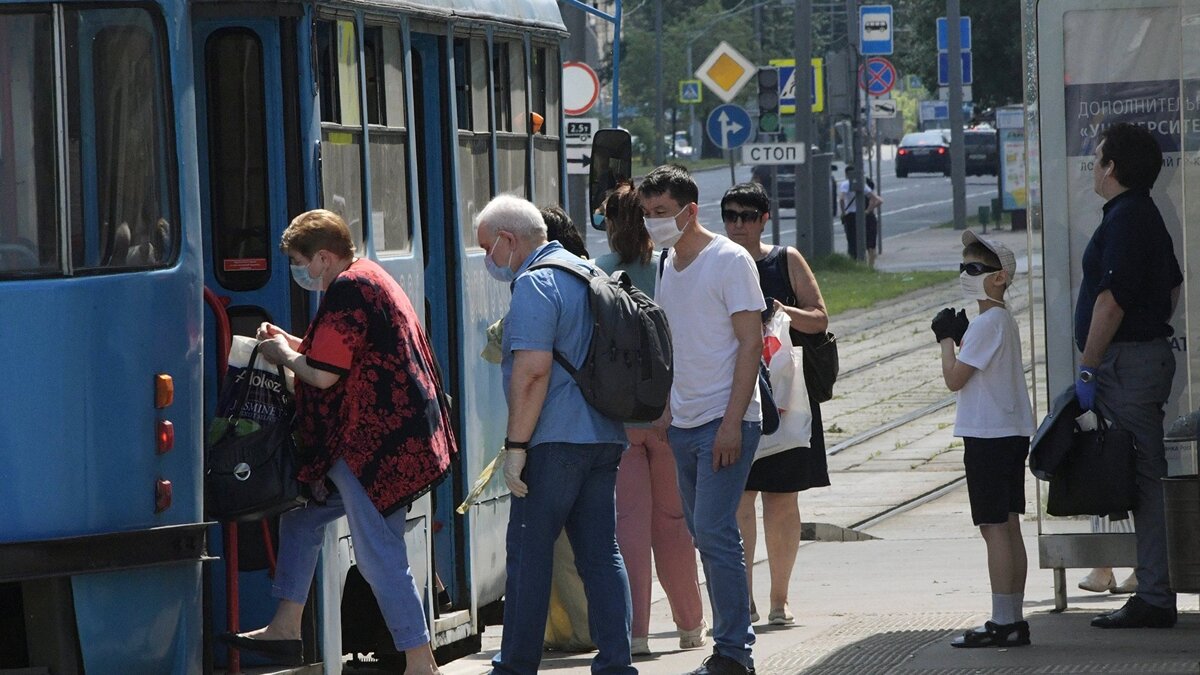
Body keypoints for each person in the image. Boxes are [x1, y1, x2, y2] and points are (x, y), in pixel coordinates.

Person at [219, 209, 456, 673]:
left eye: (300, 261)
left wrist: (282, 354)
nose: (299, 271)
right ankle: (286, 626)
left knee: (379, 556)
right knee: (303, 520)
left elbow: (323, 375)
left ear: (324, 257)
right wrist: (288, 341)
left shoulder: (348, 289)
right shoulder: (367, 276)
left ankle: (419, 661)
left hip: (372, 449)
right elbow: (329, 350)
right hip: (387, 442)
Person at [474, 194, 635, 675]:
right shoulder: (589, 273)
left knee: (528, 550)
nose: (487, 259)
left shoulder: (537, 284)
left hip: (554, 441)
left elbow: (532, 374)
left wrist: (516, 448)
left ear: (508, 240)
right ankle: (616, 663)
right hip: (604, 434)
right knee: (601, 554)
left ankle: (516, 665)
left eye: (487, 247)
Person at [638, 165, 764, 675]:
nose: (653, 223)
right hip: (685, 422)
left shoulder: (729, 261)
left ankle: (734, 651)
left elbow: (751, 343)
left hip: (724, 419)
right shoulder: (668, 262)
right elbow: (674, 342)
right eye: (647, 214)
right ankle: (730, 645)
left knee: (714, 532)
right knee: (702, 533)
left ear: (691, 211)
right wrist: (667, 409)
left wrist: (733, 422)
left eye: (662, 213)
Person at [1075, 123, 1182, 630]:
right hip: (1142, 358)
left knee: (1142, 478)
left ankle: (1155, 594)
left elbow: (1110, 301)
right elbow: (1173, 288)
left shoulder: (1126, 217)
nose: (1094, 164)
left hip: (1127, 363)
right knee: (1142, 474)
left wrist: (1091, 364)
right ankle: (1152, 586)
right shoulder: (1144, 213)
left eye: (1098, 157)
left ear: (1112, 167)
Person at [593, 182, 707, 656]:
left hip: (619, 420)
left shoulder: (597, 274)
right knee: (674, 524)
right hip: (668, 412)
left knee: (628, 530)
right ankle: (689, 625)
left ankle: (634, 633)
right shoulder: (667, 268)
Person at [721, 182, 831, 627]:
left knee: (782, 499)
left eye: (748, 216)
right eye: (731, 215)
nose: (739, 224)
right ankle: (743, 598)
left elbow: (820, 318)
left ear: (765, 219)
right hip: (733, 396)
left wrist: (783, 310)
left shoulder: (784, 259)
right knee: (740, 501)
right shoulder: (718, 262)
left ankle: (779, 600)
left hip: (787, 396)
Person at [933, 230, 1035, 648]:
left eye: (975, 269)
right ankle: (1013, 616)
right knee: (1008, 524)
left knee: (993, 527)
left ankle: (1002, 619)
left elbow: (954, 379)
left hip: (987, 435)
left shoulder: (987, 322)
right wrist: (962, 339)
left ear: (999, 278)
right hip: (1008, 432)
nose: (966, 274)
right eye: (963, 267)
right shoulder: (999, 321)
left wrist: (945, 341)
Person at [838, 166, 883, 267]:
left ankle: (855, 265)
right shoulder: (862, 184)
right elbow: (878, 200)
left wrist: (843, 212)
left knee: (852, 241)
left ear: (846, 174)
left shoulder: (845, 184)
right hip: (864, 216)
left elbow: (841, 199)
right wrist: (867, 211)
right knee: (870, 243)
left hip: (851, 216)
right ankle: (870, 267)